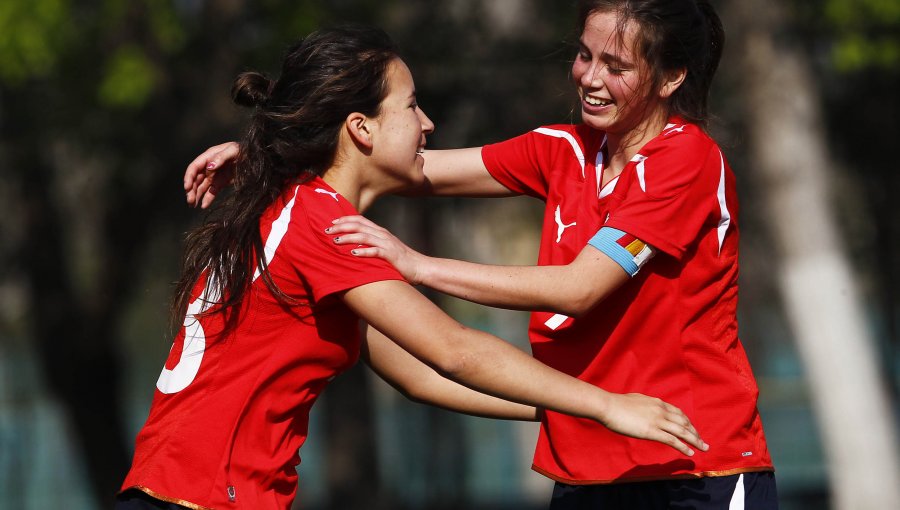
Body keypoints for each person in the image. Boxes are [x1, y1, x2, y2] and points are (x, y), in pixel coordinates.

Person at [185, 2, 779, 508]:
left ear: (671, 77)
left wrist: (418, 266)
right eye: (584, 55)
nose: (590, 78)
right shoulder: (562, 149)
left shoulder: (685, 160)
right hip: (587, 465)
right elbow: (399, 163)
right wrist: (272, 149)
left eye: (616, 66)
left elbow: (580, 288)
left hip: (696, 464)